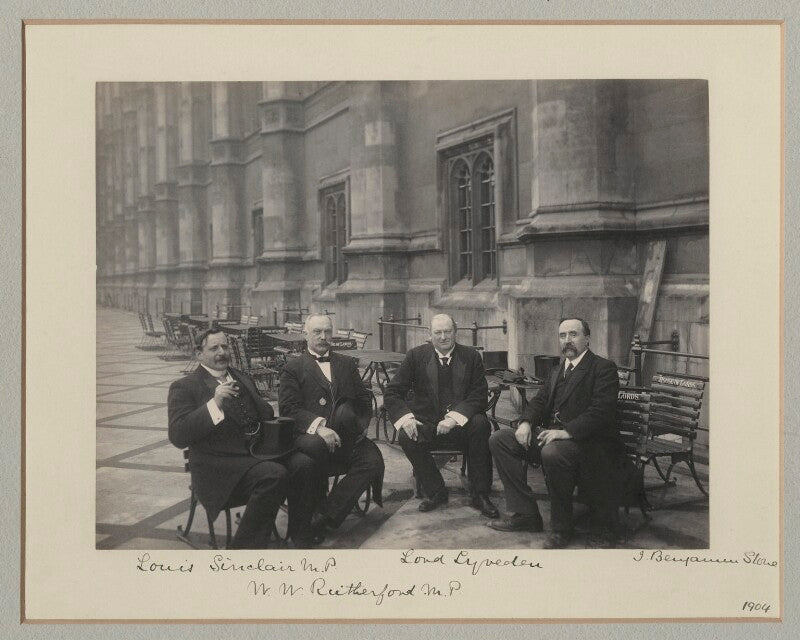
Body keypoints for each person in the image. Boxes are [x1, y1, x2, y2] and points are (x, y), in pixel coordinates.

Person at [167, 328, 318, 549]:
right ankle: (242, 550)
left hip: (256, 455)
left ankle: (301, 537)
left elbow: (265, 414)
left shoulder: (241, 376)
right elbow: (178, 435)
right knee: (274, 474)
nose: (222, 352)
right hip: (219, 466)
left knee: (304, 464)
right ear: (199, 354)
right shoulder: (185, 386)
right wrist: (214, 404)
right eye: (214, 348)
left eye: (225, 346)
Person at [487, 318, 620, 548]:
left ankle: (561, 528)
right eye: (562, 335)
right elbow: (539, 402)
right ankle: (525, 514)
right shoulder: (557, 370)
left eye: (573, 334)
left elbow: (601, 411)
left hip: (588, 443)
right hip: (553, 439)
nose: (567, 340)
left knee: (552, 452)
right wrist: (526, 423)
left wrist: (566, 432)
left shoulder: (602, 368)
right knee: (500, 440)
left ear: (587, 338)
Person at [279, 314, 385, 539]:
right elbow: (289, 409)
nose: (323, 336)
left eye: (327, 331)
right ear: (306, 334)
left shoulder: (346, 364)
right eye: (317, 331)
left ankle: (326, 514)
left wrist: (361, 425)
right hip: (311, 437)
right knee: (312, 457)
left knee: (372, 461)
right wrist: (319, 426)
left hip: (346, 436)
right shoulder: (293, 368)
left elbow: (364, 399)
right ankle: (311, 518)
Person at [384, 314, 499, 518]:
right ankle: (436, 491)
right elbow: (392, 392)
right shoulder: (415, 356)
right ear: (430, 334)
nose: (443, 337)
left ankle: (480, 494)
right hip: (428, 425)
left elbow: (479, 394)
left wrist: (454, 418)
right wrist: (407, 419)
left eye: (448, 331)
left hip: (461, 426)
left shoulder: (471, 357)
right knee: (406, 435)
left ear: (456, 332)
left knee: (481, 424)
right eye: (438, 332)